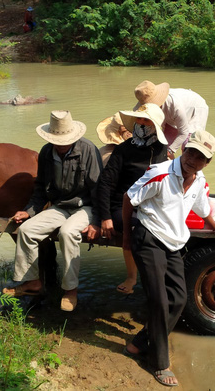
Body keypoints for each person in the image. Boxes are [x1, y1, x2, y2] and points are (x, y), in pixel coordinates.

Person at [122, 131, 215, 387]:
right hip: (148, 237)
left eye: (201, 157)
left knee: (178, 299)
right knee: (159, 300)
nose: (193, 160)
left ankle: (141, 341)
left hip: (173, 242)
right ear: (183, 149)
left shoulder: (199, 180)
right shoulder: (160, 173)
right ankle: (159, 362)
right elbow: (128, 199)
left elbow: (202, 207)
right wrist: (125, 238)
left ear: (207, 163)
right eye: (191, 152)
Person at [3, 110, 102, 312]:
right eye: (56, 140)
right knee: (26, 230)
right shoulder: (47, 152)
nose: (60, 144)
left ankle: (70, 290)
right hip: (61, 205)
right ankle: (32, 282)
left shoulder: (88, 150)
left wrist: (97, 221)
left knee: (67, 233)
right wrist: (28, 211)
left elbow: (99, 189)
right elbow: (41, 188)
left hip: (87, 206)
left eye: (64, 139)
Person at [87, 103, 169, 295]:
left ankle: (161, 275)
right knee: (138, 228)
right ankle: (133, 276)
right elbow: (105, 183)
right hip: (122, 205)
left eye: (146, 120)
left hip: (151, 204)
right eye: (138, 119)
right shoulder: (123, 149)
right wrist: (105, 217)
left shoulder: (161, 149)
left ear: (155, 126)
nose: (141, 124)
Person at [133, 80, 209, 159]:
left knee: (188, 146)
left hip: (195, 109)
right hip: (172, 114)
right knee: (164, 145)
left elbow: (184, 132)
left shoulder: (175, 107)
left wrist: (170, 150)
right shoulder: (147, 105)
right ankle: (172, 166)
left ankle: (190, 169)